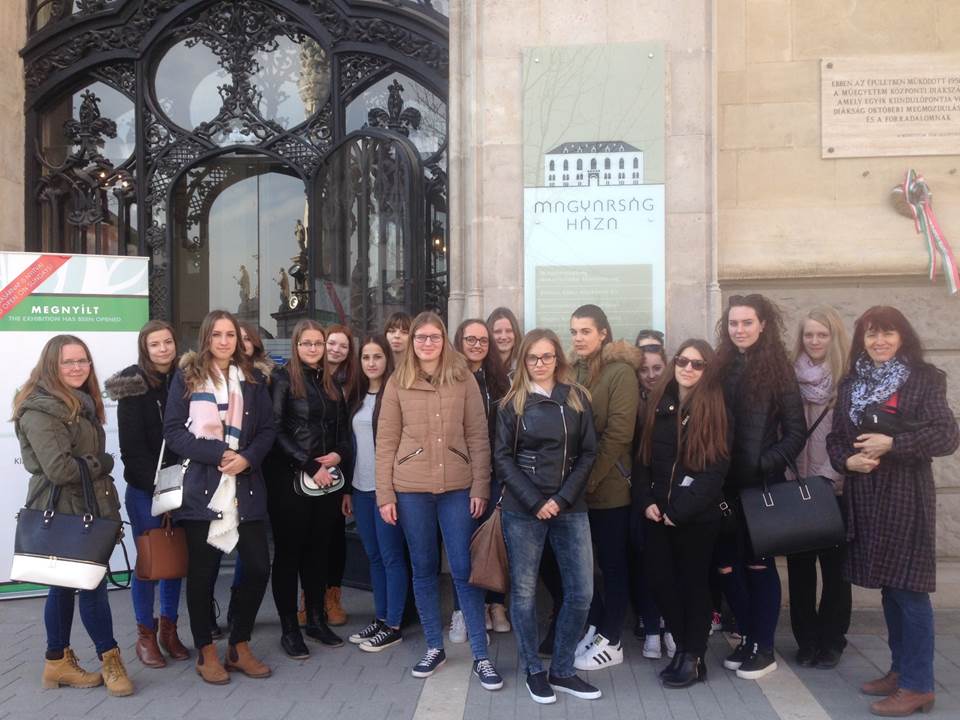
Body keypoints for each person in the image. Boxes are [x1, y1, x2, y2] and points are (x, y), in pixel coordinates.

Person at [827, 306, 958, 717]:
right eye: (871, 334)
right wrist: (847, 461)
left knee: (909, 589)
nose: (879, 341)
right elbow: (835, 438)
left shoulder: (923, 378)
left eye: (887, 333)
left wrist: (893, 445)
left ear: (902, 337)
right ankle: (901, 670)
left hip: (905, 496)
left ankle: (918, 686)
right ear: (861, 339)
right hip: (866, 497)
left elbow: (947, 435)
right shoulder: (852, 383)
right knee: (889, 586)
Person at [375, 311, 503, 690]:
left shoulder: (462, 377)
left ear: (444, 340)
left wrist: (480, 487)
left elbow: (478, 435)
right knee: (424, 567)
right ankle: (434, 646)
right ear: (412, 342)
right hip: (410, 488)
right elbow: (386, 442)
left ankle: (481, 654)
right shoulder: (398, 381)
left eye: (434, 337)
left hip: (458, 487)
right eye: (421, 337)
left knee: (464, 567)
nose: (427, 343)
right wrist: (385, 494)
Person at [14, 335, 134, 696]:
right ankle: (110, 660)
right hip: (66, 510)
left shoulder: (78, 403)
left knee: (64, 585)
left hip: (84, 508)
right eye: (68, 361)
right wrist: (105, 462)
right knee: (91, 584)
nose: (77, 367)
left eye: (83, 360)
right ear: (52, 365)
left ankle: (57, 663)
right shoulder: (42, 409)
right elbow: (60, 469)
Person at [163, 310, 276, 685]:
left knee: (258, 567)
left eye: (231, 335)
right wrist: (218, 454)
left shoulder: (254, 379)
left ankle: (239, 644)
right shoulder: (187, 377)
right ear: (206, 338)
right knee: (203, 573)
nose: (225, 341)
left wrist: (247, 458)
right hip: (203, 488)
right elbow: (174, 432)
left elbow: (267, 430)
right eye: (218, 334)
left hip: (246, 485)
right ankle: (206, 651)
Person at [495, 328, 601, 705]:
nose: (540, 363)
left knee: (581, 592)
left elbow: (589, 453)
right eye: (533, 357)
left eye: (547, 356)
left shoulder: (577, 398)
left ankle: (562, 668)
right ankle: (533, 670)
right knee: (524, 594)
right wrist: (536, 501)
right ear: (523, 360)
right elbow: (502, 459)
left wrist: (562, 498)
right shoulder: (511, 403)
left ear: (558, 358)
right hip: (523, 509)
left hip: (570, 506)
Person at [715, 294, 806, 680]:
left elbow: (796, 432)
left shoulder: (778, 370)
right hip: (722, 486)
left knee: (759, 566)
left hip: (760, 488)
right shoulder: (720, 366)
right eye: (733, 323)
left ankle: (763, 647)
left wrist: (762, 463)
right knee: (727, 567)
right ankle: (748, 639)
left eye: (747, 323)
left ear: (763, 325)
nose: (739, 330)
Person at [637, 339, 732, 688]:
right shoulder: (658, 403)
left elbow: (716, 471)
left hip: (696, 518)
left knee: (693, 586)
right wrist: (645, 499)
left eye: (697, 364)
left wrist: (679, 511)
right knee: (661, 582)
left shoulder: (717, 408)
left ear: (707, 370)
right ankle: (684, 648)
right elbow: (642, 459)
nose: (688, 368)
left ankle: (693, 656)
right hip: (657, 514)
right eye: (682, 361)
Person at [105, 320, 190, 669]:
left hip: (183, 483)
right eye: (155, 344)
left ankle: (169, 629)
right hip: (146, 489)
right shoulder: (133, 384)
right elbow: (131, 449)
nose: (163, 349)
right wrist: (159, 490)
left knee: (175, 560)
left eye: (168, 342)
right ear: (145, 348)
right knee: (150, 562)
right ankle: (145, 635)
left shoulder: (187, 378)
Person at [268, 320, 351, 658]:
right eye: (307, 343)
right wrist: (309, 464)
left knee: (319, 553)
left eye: (319, 343)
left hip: (326, 483)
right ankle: (290, 629)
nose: (314, 349)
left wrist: (339, 454)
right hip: (291, 482)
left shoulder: (330, 382)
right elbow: (274, 431)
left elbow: (343, 431)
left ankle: (316, 619)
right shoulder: (282, 379)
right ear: (296, 345)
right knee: (289, 556)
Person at [568, 304, 641, 671]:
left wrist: (588, 480)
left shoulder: (621, 372)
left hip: (609, 489)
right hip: (578, 490)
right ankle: (597, 627)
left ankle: (613, 640)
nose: (578, 338)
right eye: (574, 332)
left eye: (586, 331)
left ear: (603, 333)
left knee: (613, 565)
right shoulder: (571, 371)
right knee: (585, 567)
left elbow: (619, 434)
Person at [787, 307, 852, 669]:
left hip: (834, 489)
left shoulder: (847, 380)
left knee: (835, 572)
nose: (814, 341)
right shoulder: (789, 377)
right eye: (809, 334)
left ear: (834, 337)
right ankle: (806, 640)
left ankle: (832, 639)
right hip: (795, 488)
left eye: (822, 335)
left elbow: (850, 436)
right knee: (800, 571)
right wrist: (788, 475)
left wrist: (829, 477)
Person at [348, 335, 408, 651]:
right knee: (373, 556)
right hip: (360, 488)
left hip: (386, 490)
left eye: (377, 357)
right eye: (366, 357)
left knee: (391, 556)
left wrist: (393, 491)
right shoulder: (357, 396)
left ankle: (394, 624)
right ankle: (381, 617)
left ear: (387, 359)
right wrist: (347, 490)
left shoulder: (395, 393)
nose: (371, 363)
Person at [454, 318, 512, 635]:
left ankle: (495, 604)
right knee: (462, 544)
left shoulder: (500, 381)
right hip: (460, 475)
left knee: (494, 540)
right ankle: (464, 610)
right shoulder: (449, 377)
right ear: (459, 341)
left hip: (495, 473)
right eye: (470, 339)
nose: (477, 345)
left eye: (483, 340)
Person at [631, 343, 671, 657]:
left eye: (657, 368)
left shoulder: (676, 399)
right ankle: (651, 628)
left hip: (671, 495)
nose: (651, 375)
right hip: (640, 494)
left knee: (669, 566)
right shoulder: (633, 401)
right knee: (644, 563)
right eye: (644, 369)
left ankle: (670, 626)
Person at [321, 324, 356, 626]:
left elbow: (349, 435)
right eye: (332, 343)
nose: (336, 349)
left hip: (339, 469)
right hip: (308, 468)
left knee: (334, 537)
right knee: (310, 539)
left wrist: (348, 488)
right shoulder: (306, 376)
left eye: (343, 345)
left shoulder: (353, 383)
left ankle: (333, 597)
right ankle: (309, 597)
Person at [487, 306, 522, 373]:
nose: (504, 337)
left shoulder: (525, 366)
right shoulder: (482, 368)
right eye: (498, 331)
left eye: (509, 331)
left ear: (516, 333)